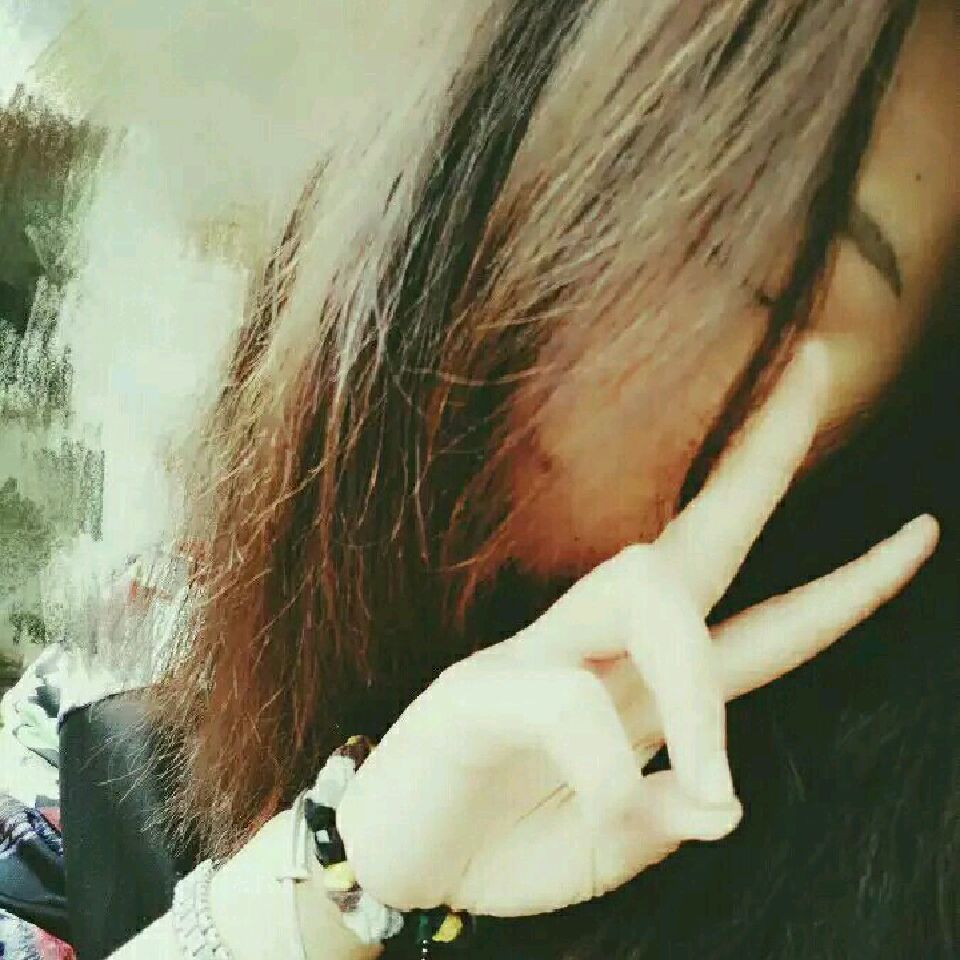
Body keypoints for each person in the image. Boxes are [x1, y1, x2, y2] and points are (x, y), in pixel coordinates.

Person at [1, 0, 957, 957]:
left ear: (900, 418)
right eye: (604, 144)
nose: (587, 277)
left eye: (768, 276)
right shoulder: (142, 655)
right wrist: (332, 881)